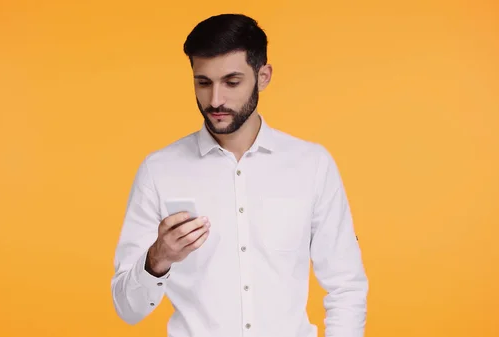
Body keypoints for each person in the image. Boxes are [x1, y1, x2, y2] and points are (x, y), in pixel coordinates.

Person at [111, 13, 368, 337]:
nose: (215, 99)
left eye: (231, 82)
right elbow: (127, 308)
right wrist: (157, 259)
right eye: (203, 82)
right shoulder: (159, 170)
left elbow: (346, 287)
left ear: (263, 76)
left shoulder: (312, 164)